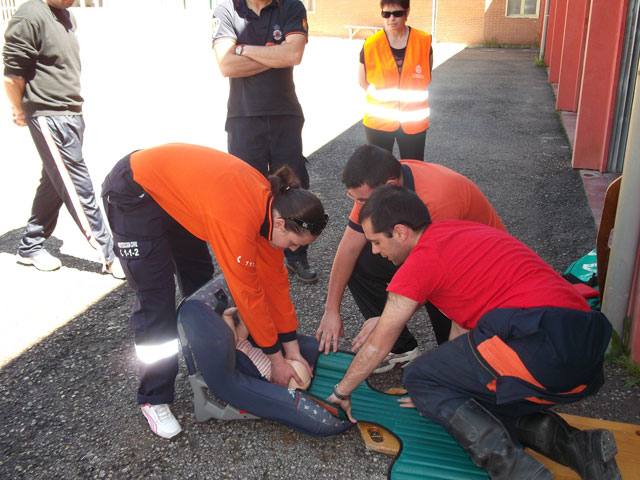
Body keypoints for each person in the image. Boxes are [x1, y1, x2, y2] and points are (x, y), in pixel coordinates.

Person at [327, 185, 620, 480]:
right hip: (584, 351)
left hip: (542, 346)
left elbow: (380, 343)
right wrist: (444, 391)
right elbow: (462, 328)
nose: (375, 252)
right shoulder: (457, 234)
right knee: (473, 402)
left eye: (377, 242)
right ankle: (582, 448)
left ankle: (517, 473)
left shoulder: (422, 261)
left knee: (417, 376)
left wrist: (342, 391)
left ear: (401, 232)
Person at [101, 143, 328, 439]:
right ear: (281, 223)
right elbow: (248, 292)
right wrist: (276, 361)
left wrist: (291, 349)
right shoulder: (237, 219)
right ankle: (154, 396)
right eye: (295, 243)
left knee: (199, 280)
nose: (295, 251)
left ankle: (213, 354)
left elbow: (275, 286)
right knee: (155, 297)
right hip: (135, 191)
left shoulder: (272, 212)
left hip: (176, 192)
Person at [316, 145, 505, 373]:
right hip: (436, 256)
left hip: (479, 268)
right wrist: (331, 310)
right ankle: (402, 349)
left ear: (390, 185)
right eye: (356, 199)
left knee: (455, 358)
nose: (360, 204)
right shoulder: (375, 191)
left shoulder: (437, 200)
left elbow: (433, 275)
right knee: (360, 261)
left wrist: (388, 319)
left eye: (363, 200)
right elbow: (349, 248)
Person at [2, 0, 122, 277]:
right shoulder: (29, 16)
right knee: (77, 185)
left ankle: (30, 245)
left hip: (70, 112)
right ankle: (109, 255)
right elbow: (12, 76)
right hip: (48, 113)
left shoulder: (64, 15)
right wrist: (20, 110)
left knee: (55, 182)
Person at [212, 0, 318, 284]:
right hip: (243, 117)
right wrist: (274, 54)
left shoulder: (291, 7)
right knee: (248, 192)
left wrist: (243, 49)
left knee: (293, 189)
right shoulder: (227, 9)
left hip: (285, 114)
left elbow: (294, 54)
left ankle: (297, 255)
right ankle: (253, 256)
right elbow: (226, 64)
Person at [359, 0, 433, 161]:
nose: (391, 18)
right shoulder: (370, 44)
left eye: (397, 13)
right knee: (379, 172)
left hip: (413, 121)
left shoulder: (423, 41)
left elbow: (426, 76)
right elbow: (362, 81)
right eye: (386, 14)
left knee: (414, 169)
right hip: (378, 121)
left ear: (407, 13)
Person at [222, 306, 311, 389]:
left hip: (237, 349)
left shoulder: (240, 340)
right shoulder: (232, 353)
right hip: (239, 354)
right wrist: (242, 357)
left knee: (239, 331)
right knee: (234, 337)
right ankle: (228, 316)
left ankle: (235, 313)